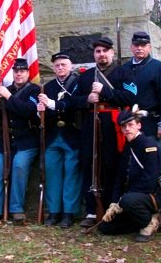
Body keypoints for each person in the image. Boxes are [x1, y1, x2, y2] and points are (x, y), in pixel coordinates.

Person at [67, 37, 136, 228]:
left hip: (113, 124)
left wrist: (105, 91)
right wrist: (87, 99)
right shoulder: (86, 76)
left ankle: (112, 206)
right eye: (98, 51)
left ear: (112, 53)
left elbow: (131, 96)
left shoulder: (124, 73)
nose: (102, 54)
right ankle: (91, 210)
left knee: (112, 163)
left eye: (105, 51)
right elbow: (73, 101)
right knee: (90, 163)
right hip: (91, 123)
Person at [0, 58, 40, 225]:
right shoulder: (6, 89)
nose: (18, 74)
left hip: (26, 140)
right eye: (16, 71)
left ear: (27, 73)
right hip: (5, 140)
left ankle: (16, 209)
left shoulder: (34, 90)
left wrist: (9, 97)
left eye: (22, 71)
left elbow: (29, 111)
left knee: (19, 166)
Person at [98, 106, 161, 242]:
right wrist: (113, 203)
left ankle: (150, 222)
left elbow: (149, 180)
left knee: (128, 201)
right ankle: (147, 220)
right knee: (106, 227)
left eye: (130, 125)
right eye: (124, 126)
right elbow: (120, 178)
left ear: (139, 125)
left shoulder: (149, 146)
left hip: (150, 196)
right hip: (131, 198)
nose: (127, 129)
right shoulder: (129, 147)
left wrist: (122, 201)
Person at [37, 52, 81, 228]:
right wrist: (39, 109)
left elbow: (77, 104)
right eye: (57, 65)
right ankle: (54, 212)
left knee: (72, 174)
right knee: (53, 174)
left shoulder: (78, 84)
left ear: (71, 66)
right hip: (53, 136)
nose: (60, 68)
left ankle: (69, 213)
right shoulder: (47, 87)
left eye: (64, 64)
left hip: (72, 135)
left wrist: (52, 104)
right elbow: (42, 113)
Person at [121, 31, 161, 146]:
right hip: (129, 124)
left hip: (151, 123)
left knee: (153, 160)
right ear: (131, 47)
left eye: (143, 45)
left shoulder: (158, 67)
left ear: (149, 47)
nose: (139, 48)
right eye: (136, 45)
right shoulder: (124, 69)